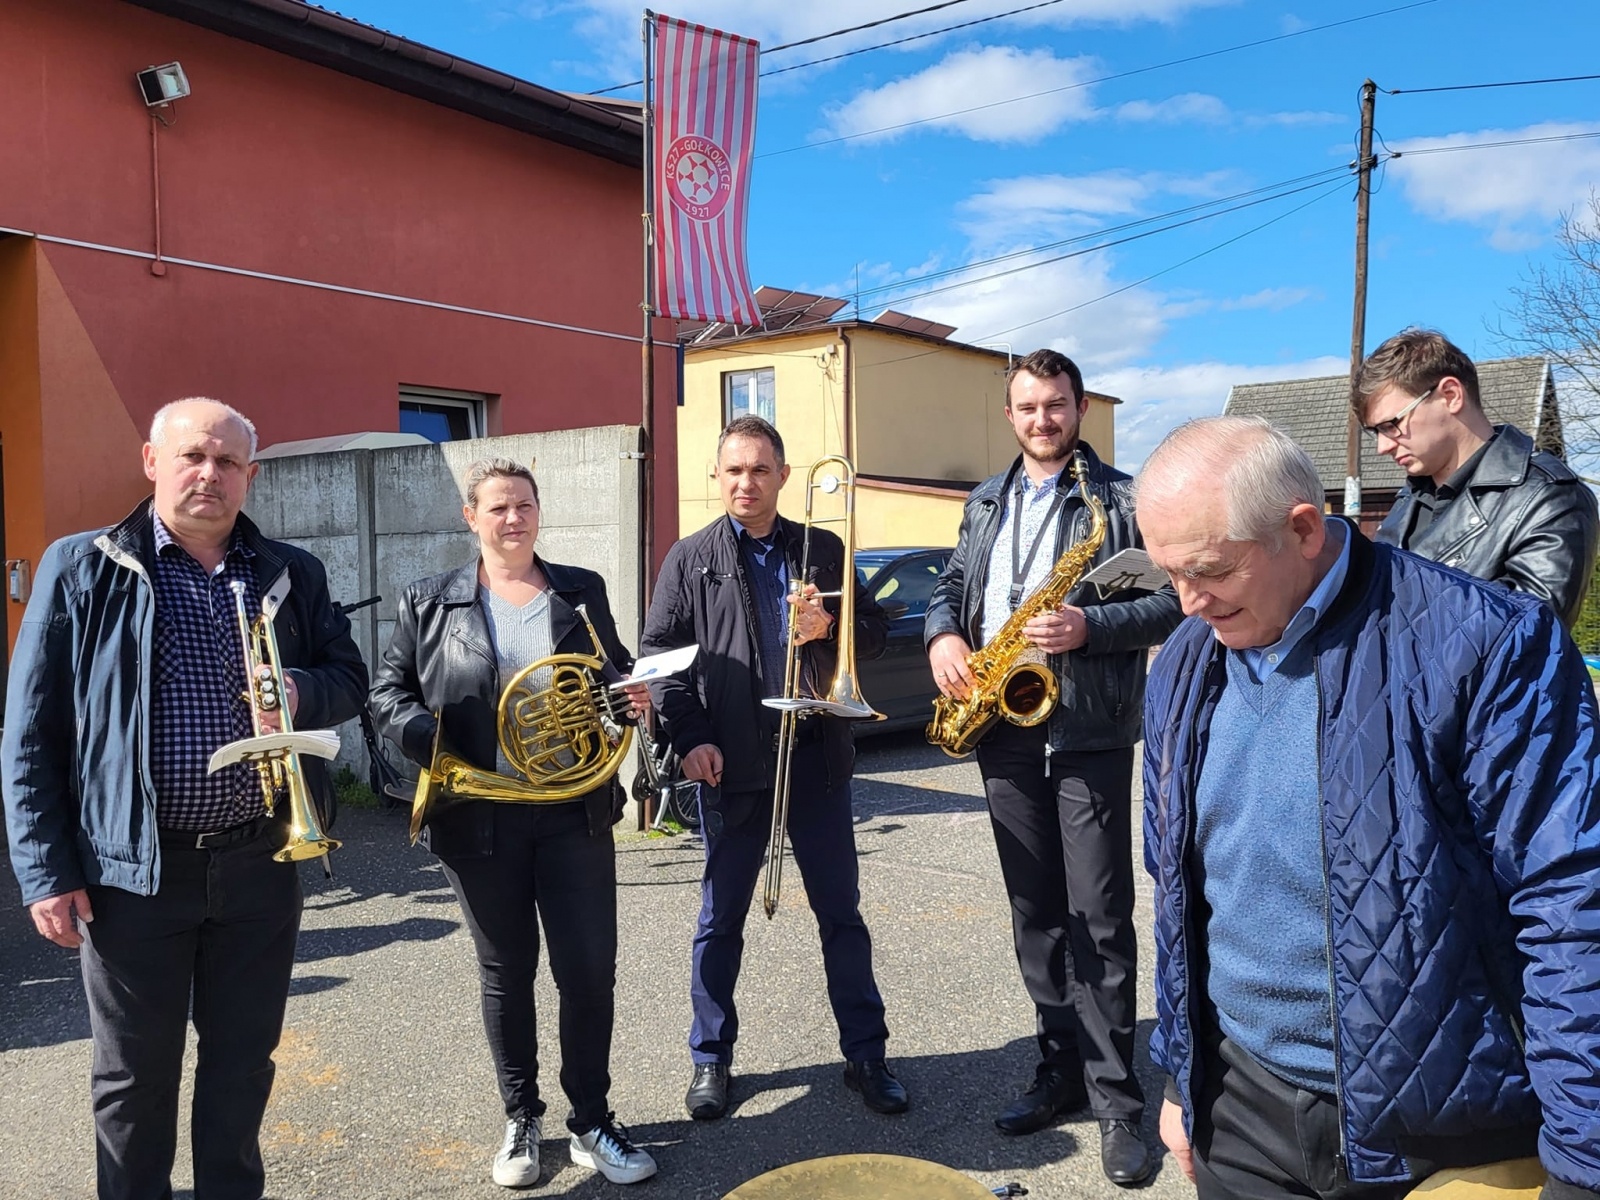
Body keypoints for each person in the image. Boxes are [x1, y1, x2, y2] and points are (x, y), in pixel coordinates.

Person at [1136, 415, 1600, 1200]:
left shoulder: (1485, 643)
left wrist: (1583, 1159)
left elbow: (1570, 897)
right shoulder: (1187, 660)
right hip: (1240, 1110)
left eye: (1209, 570)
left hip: (1436, 1131)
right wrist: (1184, 1080)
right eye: (1168, 575)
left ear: (1304, 529)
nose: (1187, 604)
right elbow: (1183, 895)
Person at [3, 398, 367, 1200]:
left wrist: (297, 692)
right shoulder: (81, 566)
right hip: (132, 871)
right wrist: (43, 870)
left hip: (261, 860)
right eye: (193, 456)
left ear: (251, 476)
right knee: (134, 1081)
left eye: (228, 462)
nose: (210, 475)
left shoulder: (290, 572)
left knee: (243, 1067)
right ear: (151, 461)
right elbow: (29, 732)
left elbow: (351, 678)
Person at [923, 348, 1181, 1185]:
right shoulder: (986, 501)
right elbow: (949, 587)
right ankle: (1059, 1069)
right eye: (1029, 407)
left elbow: (1174, 603)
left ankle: (1118, 1104)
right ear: (1010, 414)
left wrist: (1090, 631)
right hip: (1003, 722)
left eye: (1058, 405)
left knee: (1099, 919)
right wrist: (944, 636)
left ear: (1079, 409)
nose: (1044, 420)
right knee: (1035, 915)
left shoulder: (1119, 498)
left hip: (1088, 733)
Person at [369, 457, 657, 1189]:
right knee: (507, 973)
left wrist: (629, 699)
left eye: (524, 505)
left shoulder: (579, 590)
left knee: (588, 971)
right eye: (497, 507)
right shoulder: (429, 601)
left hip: (573, 811)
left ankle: (592, 1118)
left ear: (538, 512)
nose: (513, 519)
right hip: (478, 814)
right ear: (472, 517)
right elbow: (387, 691)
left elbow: (611, 672)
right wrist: (424, 741)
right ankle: (521, 1117)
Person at [640, 415, 907, 1122]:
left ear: (783, 476)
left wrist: (830, 631)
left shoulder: (822, 546)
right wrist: (690, 738)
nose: (745, 483)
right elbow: (660, 660)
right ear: (716, 476)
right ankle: (710, 1060)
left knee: (840, 915)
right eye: (733, 470)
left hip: (816, 754)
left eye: (759, 469)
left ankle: (867, 1055)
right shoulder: (689, 559)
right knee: (720, 918)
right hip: (728, 763)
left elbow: (872, 632)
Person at [1354, 327, 1598, 629]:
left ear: (1451, 395)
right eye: (1375, 431)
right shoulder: (1409, 500)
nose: (1382, 446)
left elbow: (1528, 634)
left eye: (1392, 424)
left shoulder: (1550, 497)